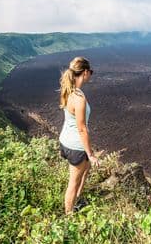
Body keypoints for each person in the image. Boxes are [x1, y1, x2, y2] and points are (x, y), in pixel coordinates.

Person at [58, 56, 99, 214]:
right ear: (86, 72)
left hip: (65, 140)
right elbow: (82, 129)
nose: (91, 75)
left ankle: (78, 198)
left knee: (86, 167)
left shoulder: (69, 90)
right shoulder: (79, 98)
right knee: (72, 184)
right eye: (91, 72)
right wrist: (90, 153)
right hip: (76, 146)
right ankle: (69, 217)